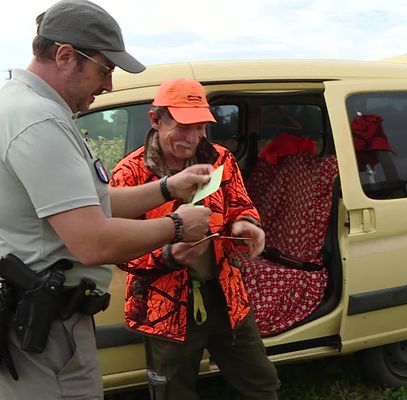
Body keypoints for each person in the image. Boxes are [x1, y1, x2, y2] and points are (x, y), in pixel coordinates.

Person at [0, 1, 215, 399]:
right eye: (105, 69)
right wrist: (181, 225)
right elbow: (92, 240)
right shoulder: (40, 121)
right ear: (65, 56)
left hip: (37, 321)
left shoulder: (19, 106)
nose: (109, 86)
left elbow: (89, 204)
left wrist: (167, 188)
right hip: (48, 333)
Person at [109, 78, 280, 400]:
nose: (193, 137)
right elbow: (118, 248)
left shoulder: (220, 159)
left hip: (226, 295)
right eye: (183, 126)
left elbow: (241, 204)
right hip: (165, 307)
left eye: (200, 127)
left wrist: (246, 224)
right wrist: (168, 255)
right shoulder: (129, 175)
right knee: (173, 392)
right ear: (156, 120)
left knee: (261, 383)